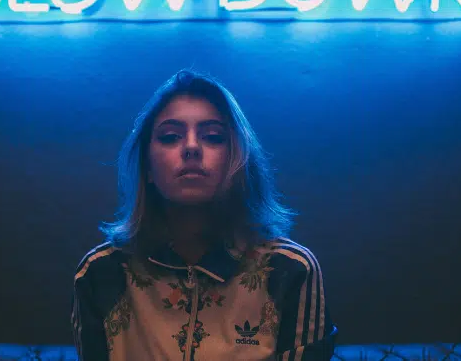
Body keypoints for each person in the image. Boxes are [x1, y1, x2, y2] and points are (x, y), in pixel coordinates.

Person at [71, 70, 337, 360]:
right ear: (147, 166)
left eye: (213, 136)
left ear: (238, 158)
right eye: (171, 136)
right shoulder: (100, 273)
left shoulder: (290, 270)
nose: (192, 147)